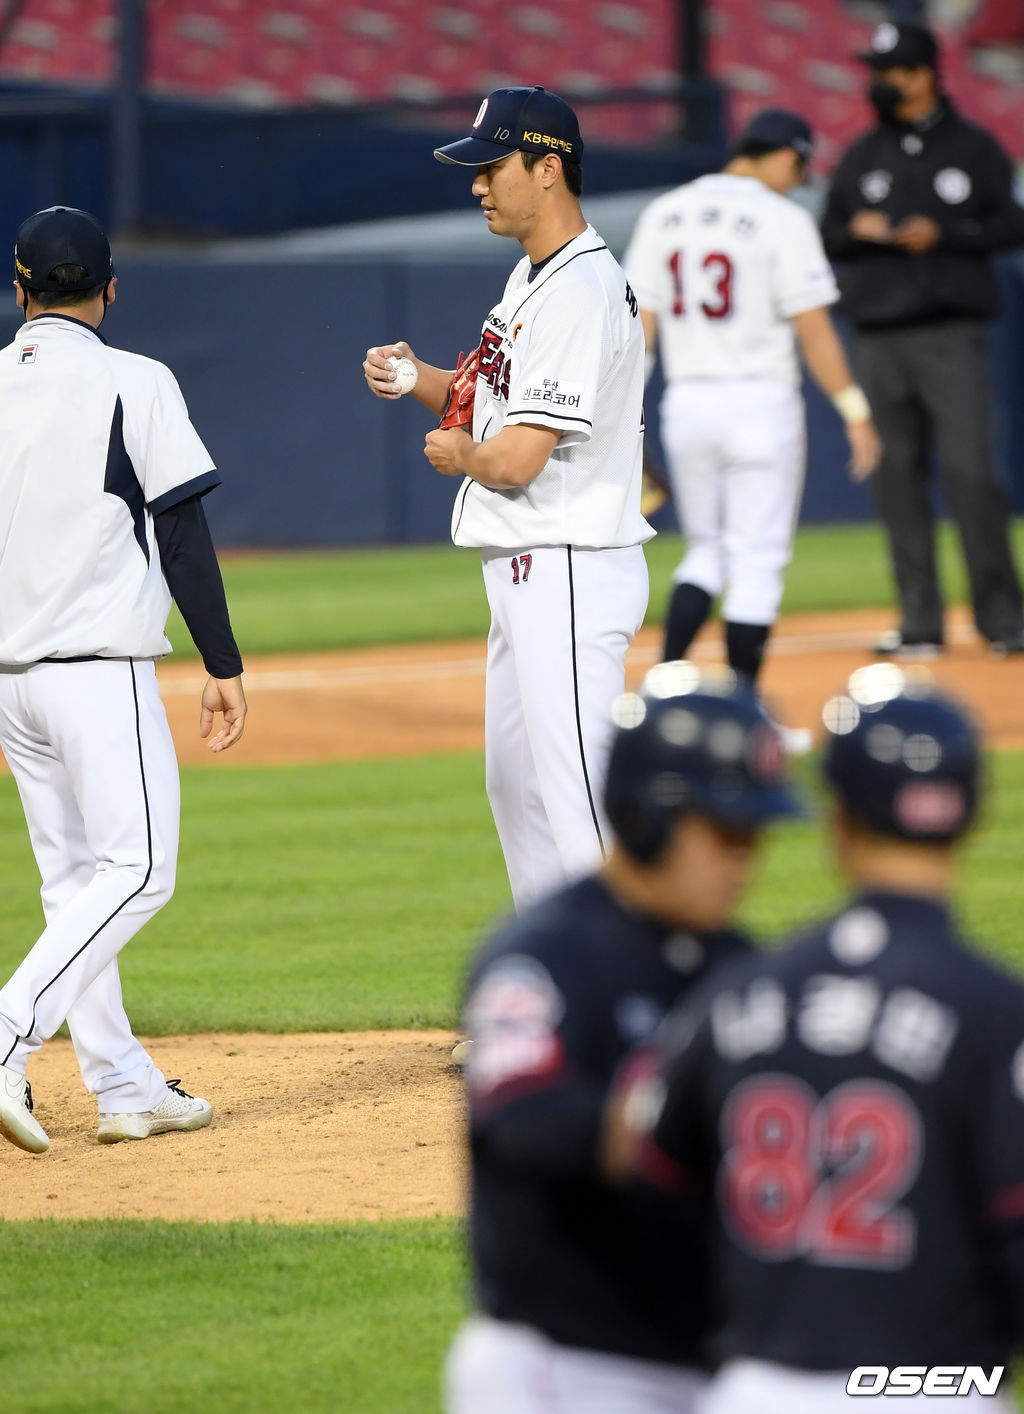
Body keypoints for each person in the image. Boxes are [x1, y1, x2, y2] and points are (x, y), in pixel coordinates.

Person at [606, 664, 1024, 1411]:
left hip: (756, 1386)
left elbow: (653, 1190)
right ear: (968, 816)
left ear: (839, 821)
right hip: (933, 1388)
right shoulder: (996, 1012)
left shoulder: (739, 992)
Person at [446, 662, 799, 1414]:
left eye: (753, 837)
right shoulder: (543, 956)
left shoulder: (737, 964)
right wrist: (679, 1110)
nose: (745, 860)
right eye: (726, 833)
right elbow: (527, 1123)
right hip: (565, 1365)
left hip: (702, 1358)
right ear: (647, 817)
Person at [362, 86, 650, 912]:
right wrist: (418, 378)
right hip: (532, 564)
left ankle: (630, 978)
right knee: (518, 789)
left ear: (548, 168)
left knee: (580, 801)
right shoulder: (535, 275)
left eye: (494, 166)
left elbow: (518, 458)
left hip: (569, 563)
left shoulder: (578, 290)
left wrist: (463, 456)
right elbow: (488, 402)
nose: (478, 183)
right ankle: (554, 972)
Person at [0, 206, 247, 1155]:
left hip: (13, 685)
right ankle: (9, 1031)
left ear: (19, 290)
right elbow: (181, 531)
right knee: (139, 869)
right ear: (110, 288)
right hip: (96, 676)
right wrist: (222, 662)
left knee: (76, 886)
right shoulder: (134, 378)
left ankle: (123, 1086)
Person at [624, 108, 881, 687]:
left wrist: (623, 411)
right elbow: (814, 329)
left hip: (687, 403)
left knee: (705, 552)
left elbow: (642, 325)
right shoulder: (783, 218)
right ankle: (744, 711)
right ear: (788, 156)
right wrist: (854, 410)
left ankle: (664, 688)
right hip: (761, 403)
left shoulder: (666, 210)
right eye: (800, 169)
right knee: (758, 561)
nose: (798, 181)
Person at [822, 20, 1024, 659]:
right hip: (879, 336)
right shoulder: (861, 154)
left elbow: (1011, 224)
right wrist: (857, 230)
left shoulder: (973, 147)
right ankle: (919, 623)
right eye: (876, 72)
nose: (879, 83)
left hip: (949, 332)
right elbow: (829, 234)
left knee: (972, 474)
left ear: (923, 75)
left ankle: (1004, 619)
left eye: (890, 72)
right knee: (897, 480)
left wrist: (945, 234)